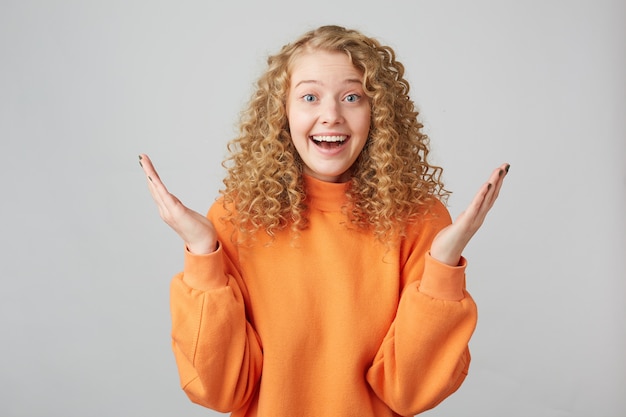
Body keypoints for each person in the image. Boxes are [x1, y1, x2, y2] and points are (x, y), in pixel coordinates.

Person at [139, 25, 508, 417]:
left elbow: (411, 392)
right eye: (309, 97)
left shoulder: (420, 219)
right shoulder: (234, 219)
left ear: (377, 113)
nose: (330, 116)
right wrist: (202, 253)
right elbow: (220, 390)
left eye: (352, 97)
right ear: (282, 112)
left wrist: (444, 266)